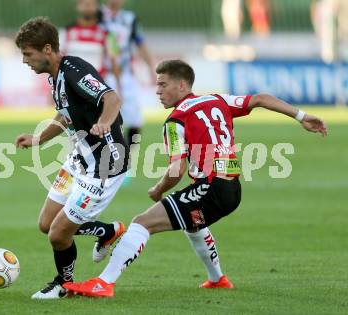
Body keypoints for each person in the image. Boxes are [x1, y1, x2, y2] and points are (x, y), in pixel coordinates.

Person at [63, 59, 328, 297]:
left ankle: (103, 282)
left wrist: (158, 189)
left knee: (142, 222)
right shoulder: (217, 100)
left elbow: (176, 169)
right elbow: (259, 98)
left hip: (210, 186)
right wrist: (301, 116)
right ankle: (217, 279)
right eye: (157, 85)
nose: (157, 91)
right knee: (193, 221)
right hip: (231, 188)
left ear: (181, 86)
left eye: (163, 85)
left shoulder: (176, 119)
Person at [14, 16, 130, 299]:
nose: (25, 61)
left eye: (28, 54)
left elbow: (112, 99)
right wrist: (39, 138)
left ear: (48, 49)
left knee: (58, 235)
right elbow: (66, 116)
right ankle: (107, 231)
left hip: (104, 167)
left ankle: (63, 286)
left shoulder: (75, 70)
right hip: (80, 160)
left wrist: (104, 122)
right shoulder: (55, 78)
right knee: (46, 224)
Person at [101, 0, 156, 147]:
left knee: (134, 119)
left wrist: (151, 68)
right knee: (104, 118)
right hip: (102, 74)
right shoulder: (97, 16)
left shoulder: (130, 18)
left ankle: (128, 157)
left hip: (126, 74)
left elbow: (140, 43)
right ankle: (106, 156)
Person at [62, 0, 120, 83]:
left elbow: (115, 63)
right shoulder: (66, 32)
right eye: (84, 3)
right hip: (71, 86)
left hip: (98, 87)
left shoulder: (108, 34)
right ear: (77, 6)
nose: (88, 6)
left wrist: (119, 89)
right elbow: (57, 61)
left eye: (91, 4)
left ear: (98, 7)